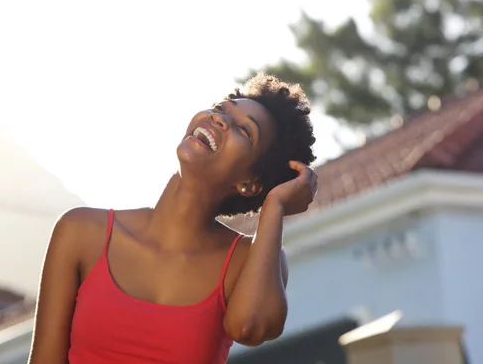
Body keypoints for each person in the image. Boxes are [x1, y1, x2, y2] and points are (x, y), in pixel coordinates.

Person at [28, 73, 318, 364]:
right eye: (220, 109)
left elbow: (250, 327)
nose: (220, 120)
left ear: (250, 183)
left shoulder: (248, 261)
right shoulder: (81, 231)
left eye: (244, 130)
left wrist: (275, 204)